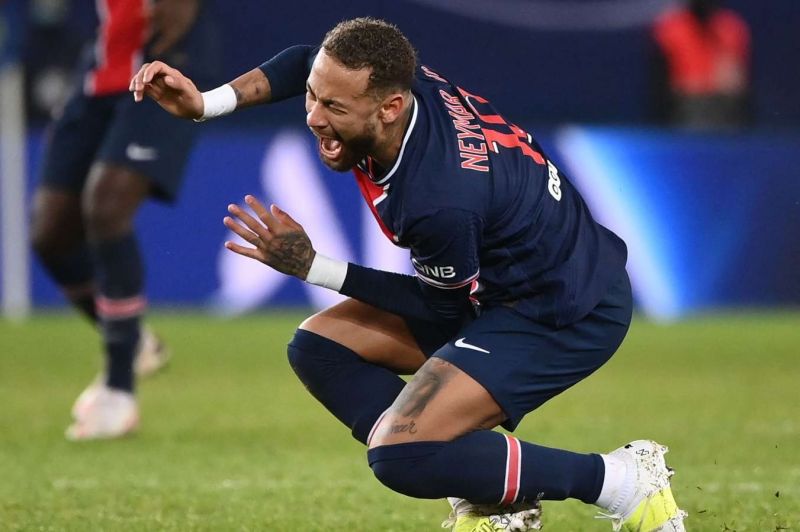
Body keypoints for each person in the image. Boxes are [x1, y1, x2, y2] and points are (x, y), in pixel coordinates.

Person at [131, 18, 686, 531]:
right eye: (313, 97)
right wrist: (205, 104)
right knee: (320, 349)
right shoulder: (392, 90)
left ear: (390, 107)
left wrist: (313, 267)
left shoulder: (437, 197)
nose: (314, 117)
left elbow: (442, 308)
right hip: (512, 286)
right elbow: (306, 60)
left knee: (404, 456)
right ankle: (495, 501)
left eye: (334, 106)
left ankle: (620, 481)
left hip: (561, 310)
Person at [30, 0, 215, 440]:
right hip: (101, 64)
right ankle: (134, 341)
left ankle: (118, 389)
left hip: (164, 58)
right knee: (50, 234)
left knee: (107, 205)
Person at [651, 0, 752, 129]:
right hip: (687, 108)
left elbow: (739, 84)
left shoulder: (731, 28)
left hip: (726, 109)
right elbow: (661, 88)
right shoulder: (669, 29)